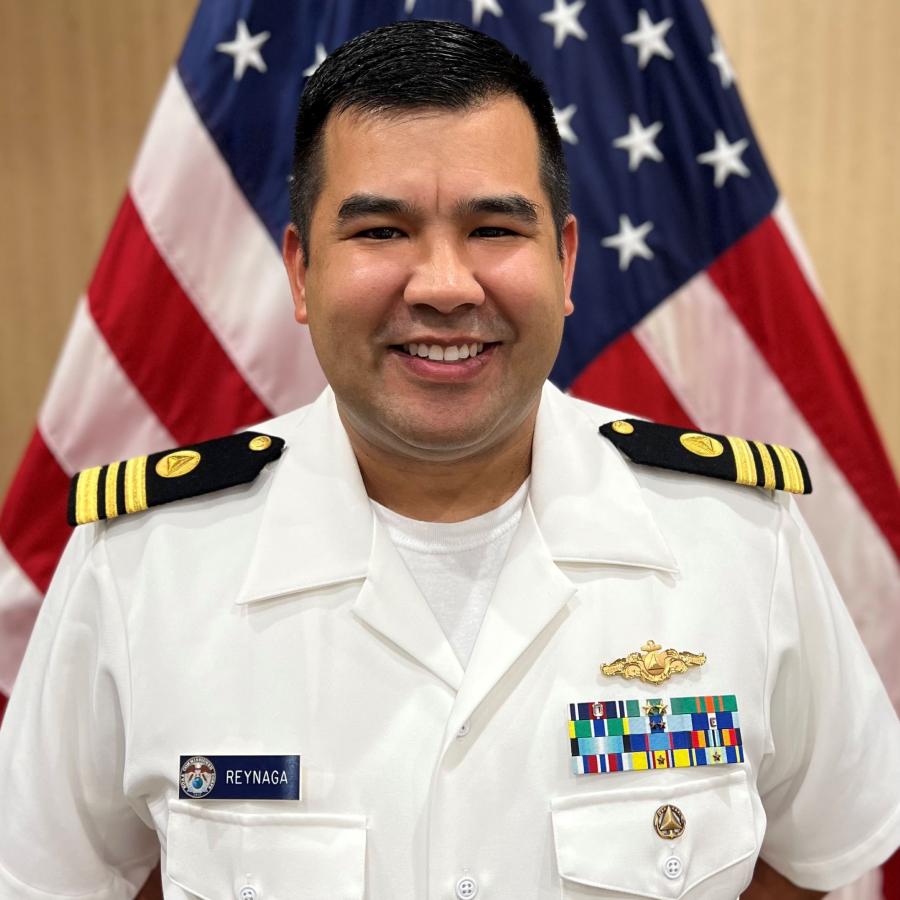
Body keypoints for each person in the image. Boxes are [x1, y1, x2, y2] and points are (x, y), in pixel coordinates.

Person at [0, 19, 897, 900]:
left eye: (495, 229)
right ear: (301, 273)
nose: (442, 287)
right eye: (381, 231)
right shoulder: (140, 568)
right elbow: (49, 878)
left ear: (566, 259)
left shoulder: (739, 539)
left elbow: (817, 853)